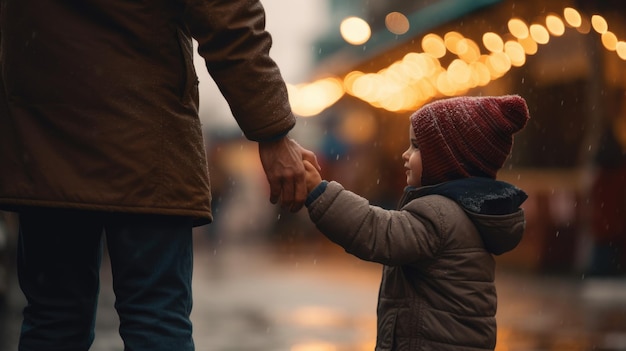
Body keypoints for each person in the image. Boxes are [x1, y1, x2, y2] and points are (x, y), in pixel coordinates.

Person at [0, 1, 318, 350]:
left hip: (44, 142)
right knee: (155, 319)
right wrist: (272, 132)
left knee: (52, 320)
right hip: (145, 141)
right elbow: (228, 17)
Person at [302, 95, 530, 350]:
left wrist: (320, 193)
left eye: (416, 146)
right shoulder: (464, 212)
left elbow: (379, 233)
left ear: (449, 159)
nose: (405, 154)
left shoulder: (440, 213)